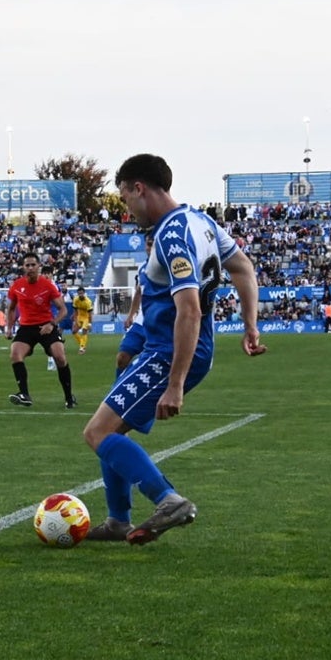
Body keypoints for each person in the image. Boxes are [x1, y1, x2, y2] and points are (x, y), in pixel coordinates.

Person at [84, 154, 266, 546]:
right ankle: (117, 521)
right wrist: (250, 324)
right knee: (111, 430)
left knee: (97, 432)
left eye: (125, 199)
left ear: (139, 188)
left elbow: (189, 309)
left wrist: (175, 383)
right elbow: (244, 268)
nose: (128, 210)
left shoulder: (170, 235)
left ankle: (168, 500)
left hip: (170, 352)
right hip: (180, 348)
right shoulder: (201, 222)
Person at [5, 253, 76, 408]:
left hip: (46, 326)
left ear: (38, 266)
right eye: (27, 265)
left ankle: (69, 397)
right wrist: (9, 328)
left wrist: (52, 324)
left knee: (60, 357)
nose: (30, 268)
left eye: (33, 265)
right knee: (15, 354)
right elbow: (11, 309)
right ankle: (24, 394)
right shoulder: (16, 285)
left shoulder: (48, 285)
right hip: (26, 328)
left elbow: (63, 309)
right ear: (23, 267)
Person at [115, 234, 154, 376]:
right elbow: (139, 291)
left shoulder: (169, 268)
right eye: (148, 244)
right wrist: (131, 315)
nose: (150, 248)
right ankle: (118, 386)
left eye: (153, 245)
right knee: (122, 358)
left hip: (159, 324)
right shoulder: (142, 267)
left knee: (153, 363)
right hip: (141, 322)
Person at [71, 286, 94, 354]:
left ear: (84, 293)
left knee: (84, 331)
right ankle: (82, 344)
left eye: (81, 293)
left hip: (86, 317)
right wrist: (75, 320)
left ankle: (82, 348)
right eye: (79, 293)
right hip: (79, 317)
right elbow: (75, 311)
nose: (80, 295)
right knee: (74, 331)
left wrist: (90, 324)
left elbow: (90, 314)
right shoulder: (76, 299)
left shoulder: (88, 302)